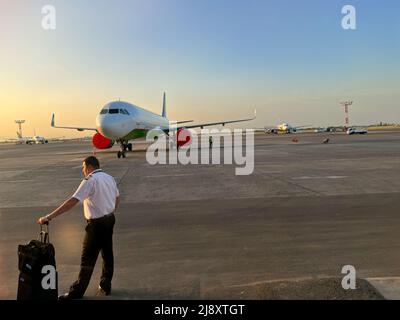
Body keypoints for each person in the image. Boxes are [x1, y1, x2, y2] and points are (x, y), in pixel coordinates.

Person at [38, 156, 120, 300]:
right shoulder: (109, 177)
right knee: (107, 254)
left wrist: (49, 217)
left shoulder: (90, 180)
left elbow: (72, 202)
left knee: (87, 258)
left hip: (96, 225)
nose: (83, 170)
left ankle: (76, 293)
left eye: (83, 167)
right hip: (109, 220)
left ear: (89, 167)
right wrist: (110, 212)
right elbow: (117, 198)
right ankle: (106, 285)